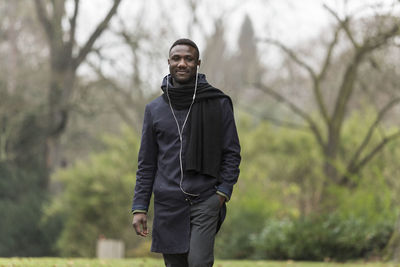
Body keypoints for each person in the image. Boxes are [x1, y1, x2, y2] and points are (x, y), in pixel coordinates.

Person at [131, 38, 241, 267]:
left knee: (199, 263)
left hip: (205, 199)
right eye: (176, 58)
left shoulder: (218, 103)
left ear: (198, 63)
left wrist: (221, 194)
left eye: (188, 59)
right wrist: (140, 207)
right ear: (168, 62)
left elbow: (231, 153)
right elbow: (147, 163)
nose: (182, 63)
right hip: (168, 204)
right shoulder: (154, 110)